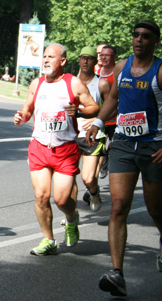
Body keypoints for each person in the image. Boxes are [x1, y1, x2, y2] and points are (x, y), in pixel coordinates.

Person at [87, 20, 162, 297]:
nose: (139, 40)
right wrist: (97, 122)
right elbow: (113, 99)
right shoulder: (122, 68)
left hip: (153, 147)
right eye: (136, 35)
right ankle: (117, 274)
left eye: (145, 36)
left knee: (156, 209)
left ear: (154, 41)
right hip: (123, 144)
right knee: (118, 206)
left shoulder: (159, 70)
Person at [13, 43, 98, 256]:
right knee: (41, 196)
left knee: (61, 199)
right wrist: (21, 116)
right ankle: (48, 240)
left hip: (65, 149)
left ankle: (71, 219)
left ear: (62, 61)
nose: (45, 60)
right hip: (40, 147)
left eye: (51, 57)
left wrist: (78, 111)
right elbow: (27, 109)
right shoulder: (37, 84)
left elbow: (94, 107)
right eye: (44, 56)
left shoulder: (73, 83)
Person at [74, 46, 110, 212]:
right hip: (72, 134)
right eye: (83, 58)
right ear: (79, 60)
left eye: (89, 58)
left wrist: (97, 119)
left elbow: (113, 107)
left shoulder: (101, 83)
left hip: (93, 135)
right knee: (68, 178)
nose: (86, 61)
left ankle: (94, 193)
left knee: (88, 178)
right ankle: (71, 216)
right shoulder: (71, 82)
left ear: (95, 62)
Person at [97, 44, 118, 180]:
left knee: (114, 148)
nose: (103, 58)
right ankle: (103, 164)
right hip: (99, 119)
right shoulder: (96, 73)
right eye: (101, 55)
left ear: (114, 57)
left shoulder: (118, 73)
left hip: (116, 119)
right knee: (99, 149)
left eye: (107, 55)